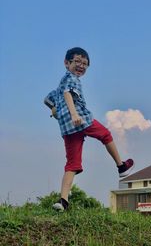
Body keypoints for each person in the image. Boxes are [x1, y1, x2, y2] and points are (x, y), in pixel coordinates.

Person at [44, 47, 134, 211]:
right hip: (81, 119)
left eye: (85, 64)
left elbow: (47, 99)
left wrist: (54, 109)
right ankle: (121, 166)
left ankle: (63, 201)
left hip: (67, 128)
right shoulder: (71, 79)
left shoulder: (60, 83)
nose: (81, 66)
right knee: (106, 134)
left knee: (72, 164)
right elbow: (67, 94)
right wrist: (73, 114)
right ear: (66, 63)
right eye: (77, 61)